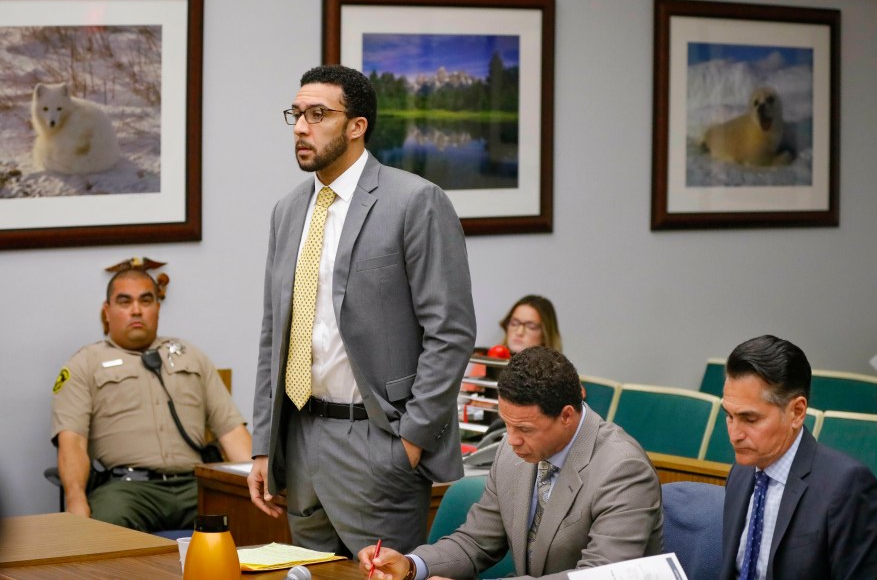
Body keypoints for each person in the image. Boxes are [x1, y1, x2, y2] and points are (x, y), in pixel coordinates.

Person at [248, 65, 476, 557]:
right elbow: (275, 335)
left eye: (318, 114)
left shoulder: (414, 201)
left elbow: (451, 331)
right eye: (297, 114)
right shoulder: (288, 211)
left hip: (379, 443)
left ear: (357, 126)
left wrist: (412, 440)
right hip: (301, 439)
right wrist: (264, 445)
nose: (301, 127)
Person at [360, 346, 663, 580]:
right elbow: (477, 542)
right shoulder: (512, 450)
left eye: (525, 429)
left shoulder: (623, 470)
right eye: (507, 425)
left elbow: (597, 576)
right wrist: (412, 566)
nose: (512, 439)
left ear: (567, 416)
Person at [51, 268, 252, 532]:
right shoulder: (84, 364)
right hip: (128, 491)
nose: (136, 310)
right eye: (125, 302)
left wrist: (256, 486)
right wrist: (75, 501)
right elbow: (72, 442)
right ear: (107, 310)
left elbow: (232, 432)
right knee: (104, 530)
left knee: (252, 520)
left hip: (194, 485)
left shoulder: (190, 357)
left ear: (157, 307)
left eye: (145, 301)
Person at [719, 335, 877, 580]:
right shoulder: (741, 473)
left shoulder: (847, 487)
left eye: (750, 419)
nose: (734, 434)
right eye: (729, 416)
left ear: (797, 412)